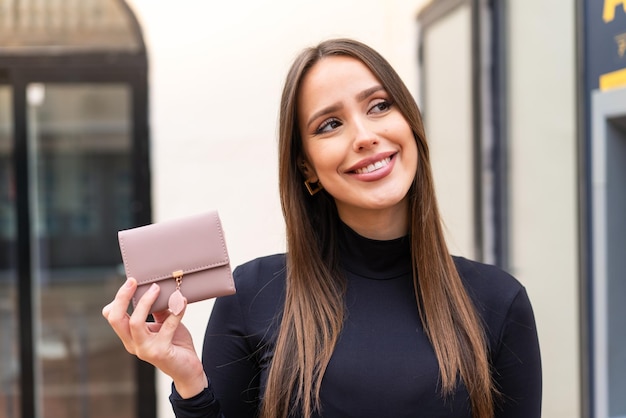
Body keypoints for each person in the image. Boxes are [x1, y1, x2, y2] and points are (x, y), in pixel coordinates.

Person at [103, 38, 542, 418]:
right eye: (330, 124)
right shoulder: (253, 295)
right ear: (306, 168)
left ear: (410, 123)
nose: (365, 135)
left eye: (379, 106)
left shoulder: (498, 303)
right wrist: (190, 381)